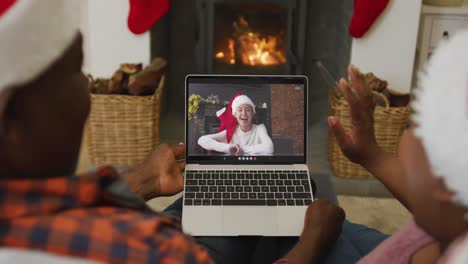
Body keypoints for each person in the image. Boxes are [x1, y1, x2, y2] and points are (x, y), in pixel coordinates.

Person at [0, 1, 346, 263]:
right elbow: (207, 141)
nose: (88, 94)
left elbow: (58, 203)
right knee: (306, 205)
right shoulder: (151, 247)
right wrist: (312, 242)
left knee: (236, 200)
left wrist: (145, 180)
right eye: (77, 72)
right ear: (11, 117)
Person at [326, 31, 468, 263]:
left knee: (303, 232)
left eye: (416, 123)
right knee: (336, 225)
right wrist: (373, 156)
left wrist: (308, 245)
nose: (407, 133)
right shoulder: (451, 219)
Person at [198, 94, 274, 156]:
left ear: (252, 113)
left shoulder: (260, 128)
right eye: (240, 110)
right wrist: (229, 147)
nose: (244, 113)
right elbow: (202, 140)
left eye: (248, 110)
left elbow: (269, 148)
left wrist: (242, 149)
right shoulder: (232, 131)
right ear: (235, 114)